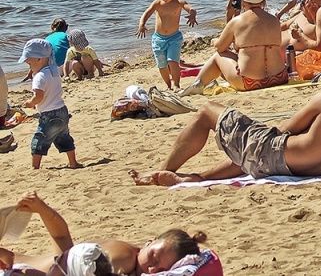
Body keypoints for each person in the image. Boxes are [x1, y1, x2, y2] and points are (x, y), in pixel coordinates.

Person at [132, 55, 321, 185]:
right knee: (255, 148)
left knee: (207, 111)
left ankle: (161, 171)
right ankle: (193, 179)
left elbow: (283, 130)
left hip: (278, 158)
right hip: (307, 172)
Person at [0, 193, 209, 275]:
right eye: (153, 256)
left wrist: (43, 210)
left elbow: (62, 238)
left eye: (160, 268)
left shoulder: (67, 262)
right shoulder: (126, 256)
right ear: (149, 242)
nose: (151, 268)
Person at [192, 0, 286, 92]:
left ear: (243, 1)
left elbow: (220, 47)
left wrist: (214, 40)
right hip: (279, 77)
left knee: (218, 55)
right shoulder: (274, 20)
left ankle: (197, 85)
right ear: (263, 0)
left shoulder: (237, 21)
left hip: (250, 82)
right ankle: (199, 84)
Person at [19, 39, 80, 169]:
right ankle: (73, 163)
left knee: (39, 140)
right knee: (64, 138)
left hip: (49, 114)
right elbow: (49, 90)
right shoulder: (53, 70)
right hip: (62, 110)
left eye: (29, 60)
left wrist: (30, 103)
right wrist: (33, 71)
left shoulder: (39, 77)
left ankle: (35, 167)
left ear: (39, 59)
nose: (26, 62)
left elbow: (39, 96)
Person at [136, 0, 197, 90]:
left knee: (172, 61)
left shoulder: (179, 2)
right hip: (158, 39)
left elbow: (190, 8)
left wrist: (192, 14)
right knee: (162, 65)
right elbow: (147, 13)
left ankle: (176, 84)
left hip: (174, 38)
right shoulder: (157, 3)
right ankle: (168, 85)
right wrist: (142, 24)